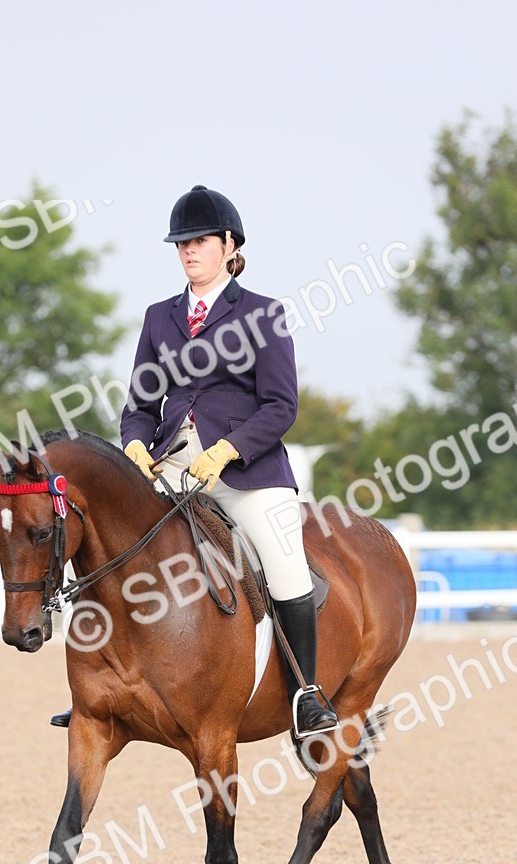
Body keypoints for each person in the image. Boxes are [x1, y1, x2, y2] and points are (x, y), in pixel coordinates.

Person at [52, 184, 338, 739]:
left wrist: (227, 451)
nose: (188, 250)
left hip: (249, 474)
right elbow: (139, 404)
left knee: (284, 564)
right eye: (181, 242)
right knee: (114, 553)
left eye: (200, 240)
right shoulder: (160, 317)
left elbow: (282, 406)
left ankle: (305, 693)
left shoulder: (263, 313)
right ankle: (97, 690)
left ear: (230, 245)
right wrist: (135, 444)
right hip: (172, 468)